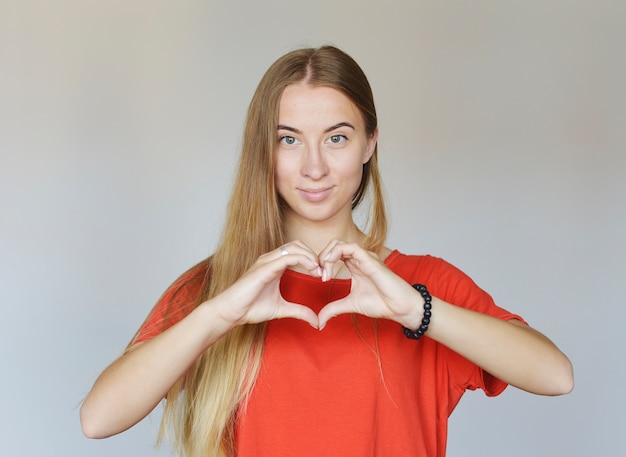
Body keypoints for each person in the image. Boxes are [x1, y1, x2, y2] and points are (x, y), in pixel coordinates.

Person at [80, 45, 573, 457]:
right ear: (264, 152)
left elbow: (555, 376)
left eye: (336, 137)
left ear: (369, 144)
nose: (314, 167)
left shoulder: (422, 284)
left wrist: (415, 309)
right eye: (289, 140)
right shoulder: (218, 287)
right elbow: (99, 419)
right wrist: (216, 317)